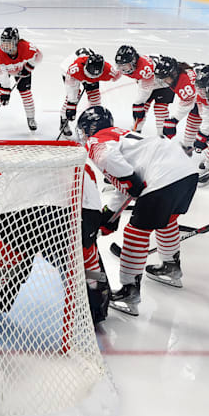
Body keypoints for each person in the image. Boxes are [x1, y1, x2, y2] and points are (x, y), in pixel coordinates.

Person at [0, 154, 107, 330]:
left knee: (3, 256)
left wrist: (6, 226)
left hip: (25, 214)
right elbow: (91, 194)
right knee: (84, 258)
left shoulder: (8, 160)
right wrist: (93, 226)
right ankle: (93, 308)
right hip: (70, 216)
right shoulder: (74, 159)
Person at [77, 106, 198, 316]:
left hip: (163, 178)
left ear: (88, 129)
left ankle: (128, 291)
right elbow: (128, 184)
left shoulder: (95, 140)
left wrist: (128, 182)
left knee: (135, 233)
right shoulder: (124, 134)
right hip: (186, 173)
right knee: (166, 222)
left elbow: (112, 164)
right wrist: (111, 214)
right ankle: (171, 266)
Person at [0, 27, 42, 132]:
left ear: (16, 41)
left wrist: (29, 66)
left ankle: (31, 118)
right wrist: (5, 90)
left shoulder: (27, 47)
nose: (5, 46)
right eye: (3, 42)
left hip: (21, 69)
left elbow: (39, 56)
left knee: (26, 94)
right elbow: (0, 74)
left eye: (8, 43)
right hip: (4, 71)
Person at [58, 48, 121, 137]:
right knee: (73, 97)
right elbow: (72, 91)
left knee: (95, 97)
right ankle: (64, 120)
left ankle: (94, 123)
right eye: (90, 75)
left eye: (95, 75)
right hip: (70, 72)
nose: (91, 77)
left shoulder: (108, 71)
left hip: (86, 72)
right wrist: (71, 107)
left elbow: (120, 72)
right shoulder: (74, 70)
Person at [115, 45, 170, 135]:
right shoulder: (133, 65)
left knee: (160, 110)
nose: (121, 69)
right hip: (150, 81)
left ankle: (163, 137)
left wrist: (138, 104)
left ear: (133, 62)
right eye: (119, 65)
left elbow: (145, 90)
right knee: (141, 109)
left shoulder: (145, 68)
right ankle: (136, 130)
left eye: (124, 65)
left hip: (164, 84)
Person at [152, 56, 201, 154]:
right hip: (200, 96)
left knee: (199, 120)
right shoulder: (180, 70)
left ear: (173, 74)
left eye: (165, 78)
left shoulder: (184, 84)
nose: (164, 82)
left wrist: (173, 121)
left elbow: (187, 105)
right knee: (194, 117)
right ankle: (188, 146)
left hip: (207, 101)